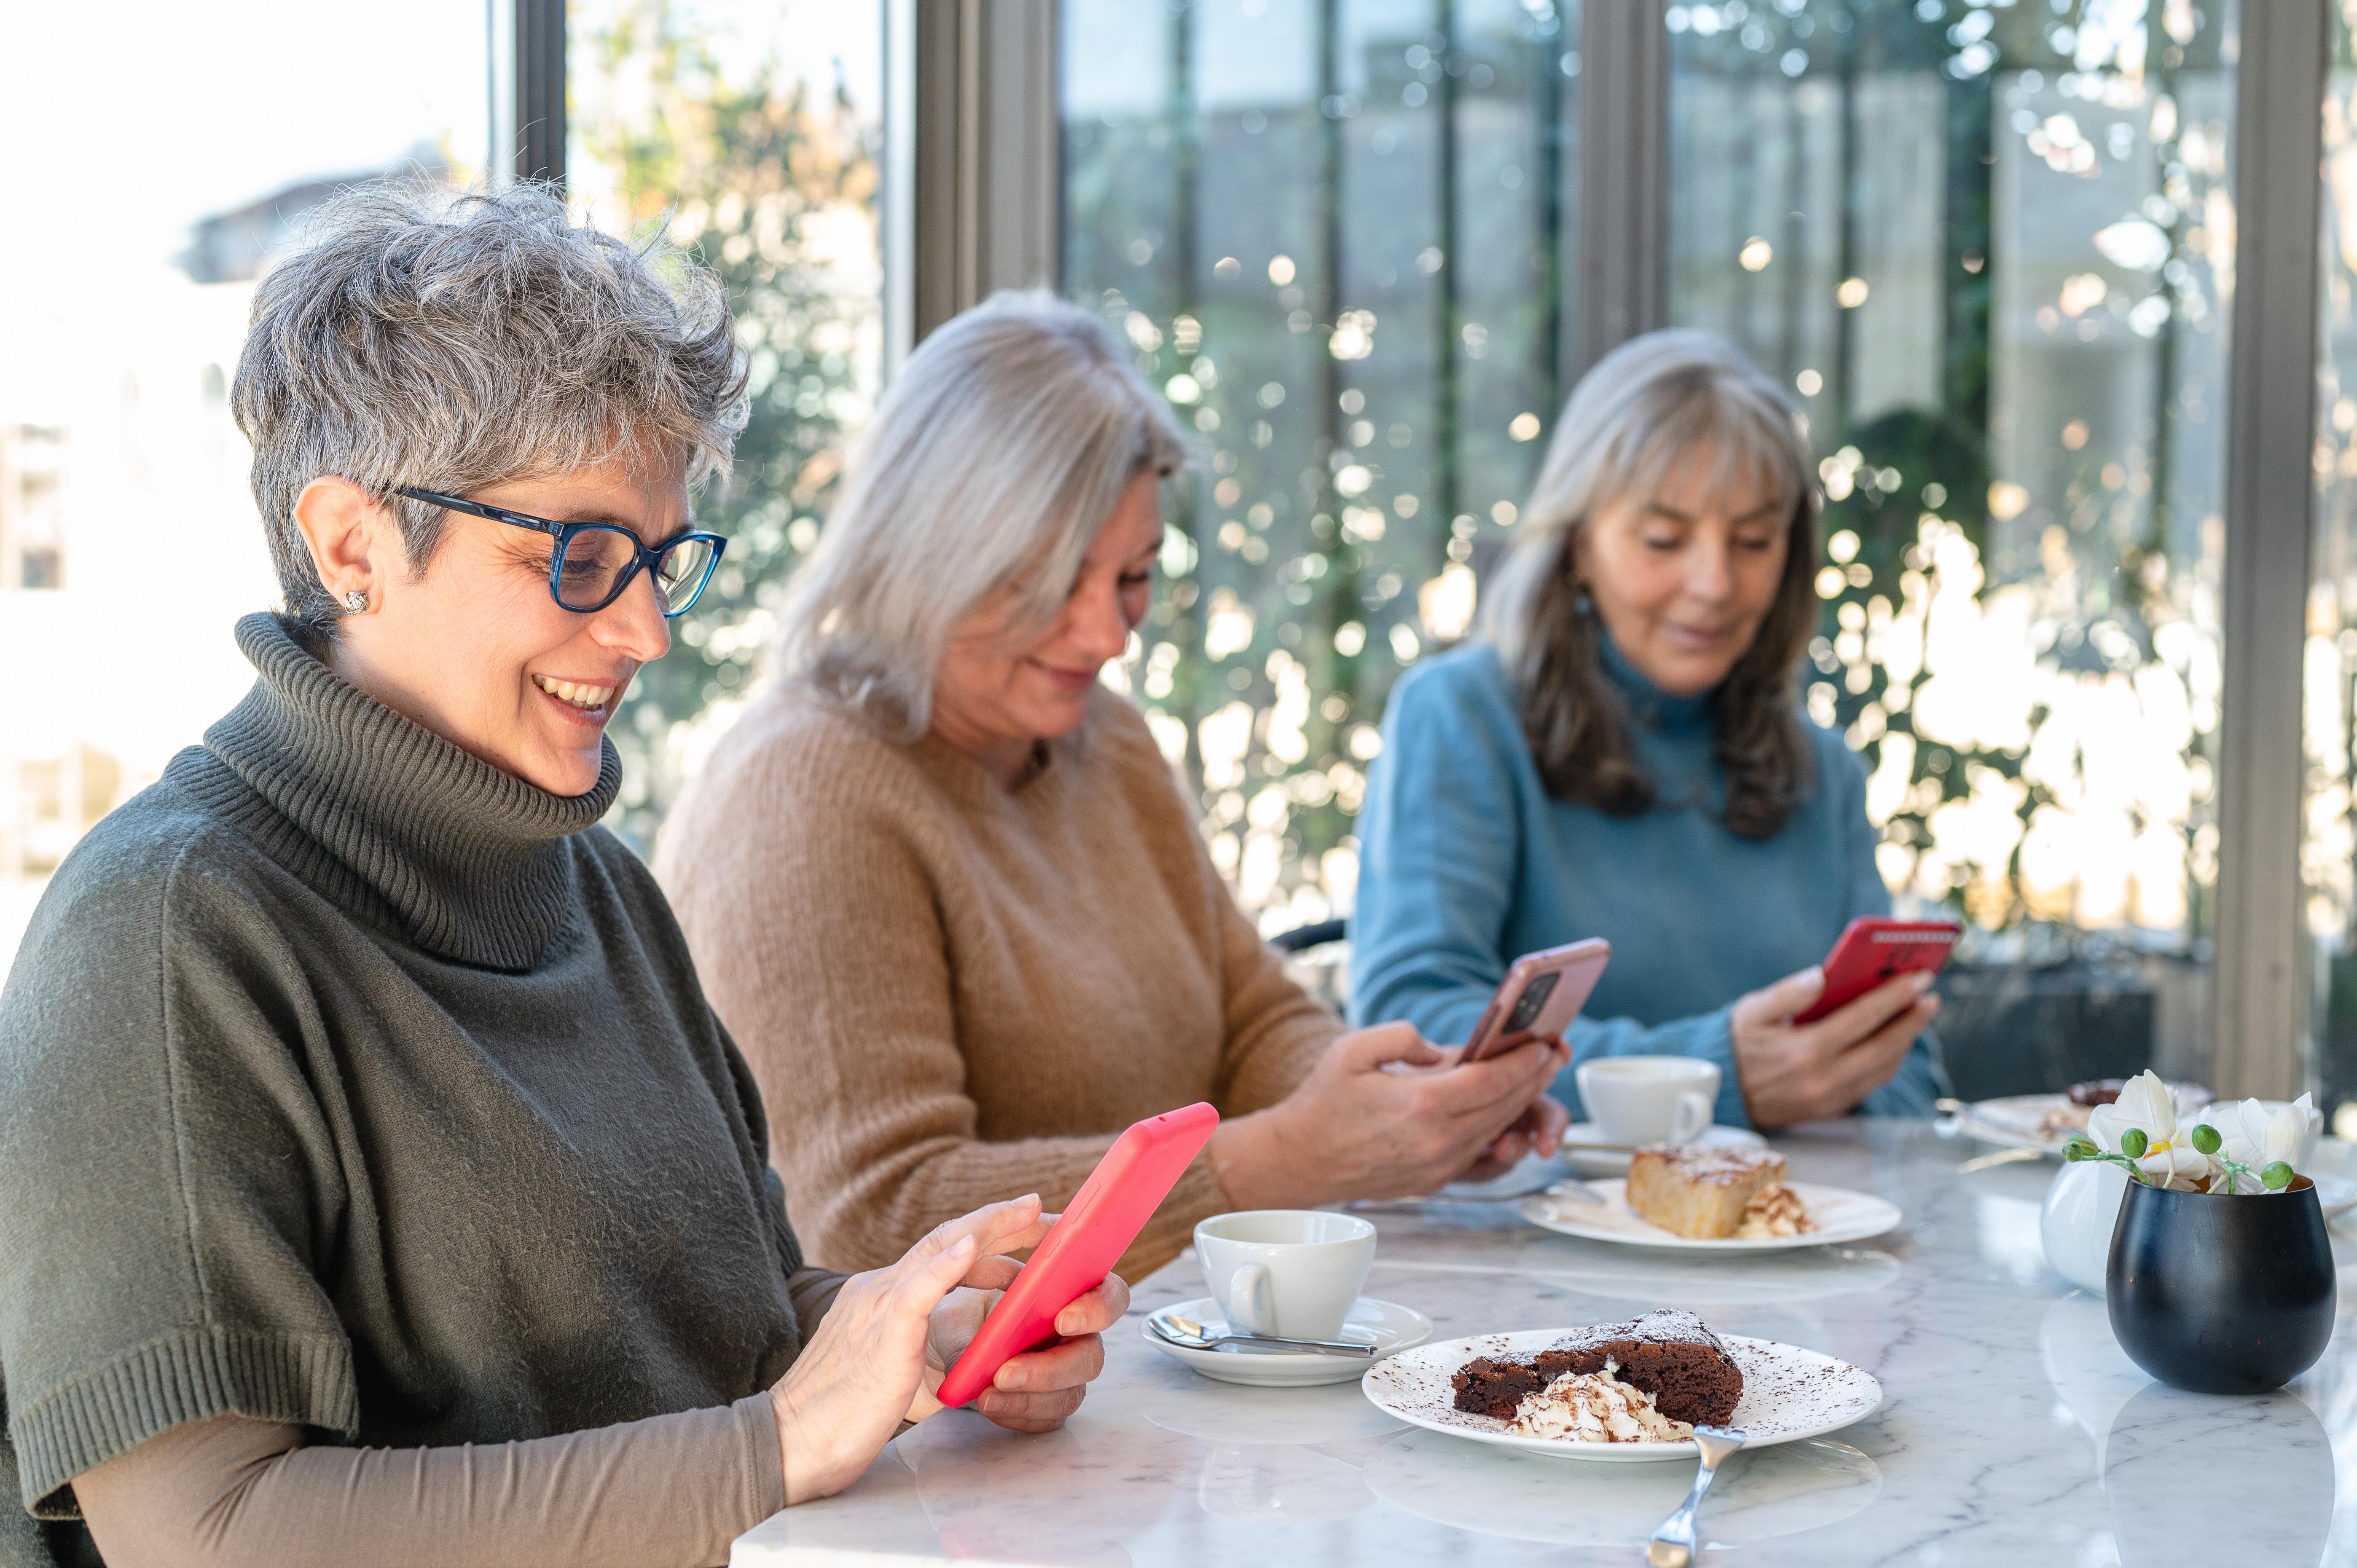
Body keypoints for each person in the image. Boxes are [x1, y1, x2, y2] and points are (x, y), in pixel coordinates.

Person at [0, 185, 1119, 1568]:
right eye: (584, 555)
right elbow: (203, 1533)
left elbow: (749, 1326)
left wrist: (906, 1332)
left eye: (660, 558)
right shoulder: (165, 931)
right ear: (354, 544)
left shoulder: (600, 883)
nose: (647, 628)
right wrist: (772, 1447)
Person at [655, 290, 1568, 1280]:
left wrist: (1397, 1115)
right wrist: (1282, 1159)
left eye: (1134, 575)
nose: (1107, 634)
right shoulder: (805, 791)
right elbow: (870, 1225)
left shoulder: (1103, 737)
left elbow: (1253, 1017)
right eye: (1048, 586)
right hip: (939, 1430)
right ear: (924, 554)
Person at [1349, 330, 1948, 1130]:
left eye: (1754, 541)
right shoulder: (1462, 717)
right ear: (1578, 546)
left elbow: (1906, 1076)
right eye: (1664, 539)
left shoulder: (1823, 771)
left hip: (1797, 1233)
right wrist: (1713, 1079)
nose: (1715, 583)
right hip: (1539, 1239)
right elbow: (1416, 1029)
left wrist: (1836, 1079)